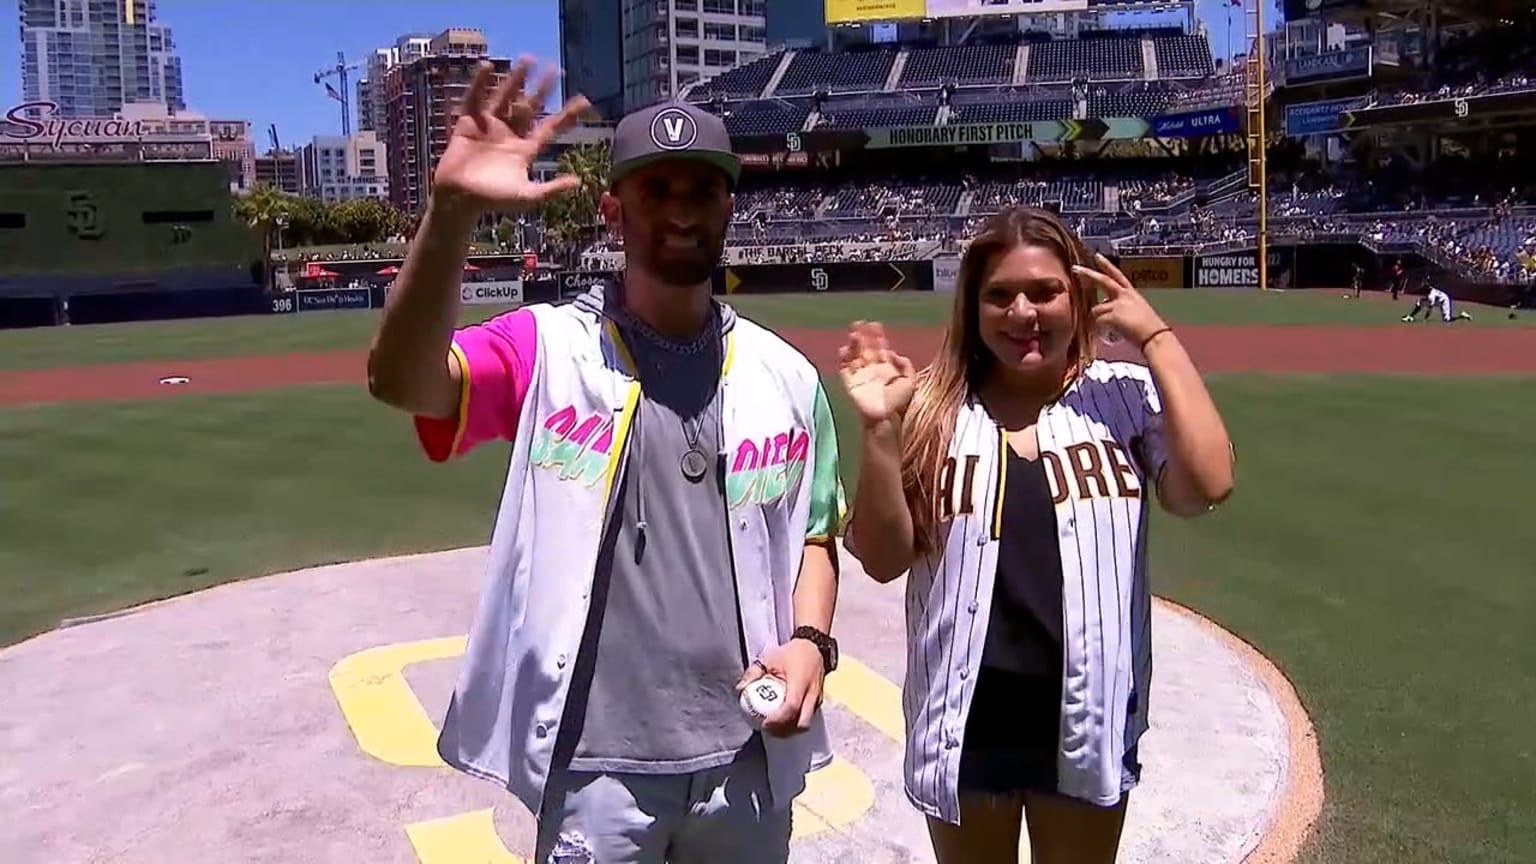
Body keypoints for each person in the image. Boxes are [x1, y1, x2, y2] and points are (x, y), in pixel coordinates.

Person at [366, 57, 846, 864]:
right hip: (597, 769)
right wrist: (449, 213)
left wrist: (810, 641)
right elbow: (402, 382)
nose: (682, 210)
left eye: (701, 190)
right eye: (656, 191)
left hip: (746, 758)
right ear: (612, 211)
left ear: (729, 205)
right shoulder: (545, 346)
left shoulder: (788, 376)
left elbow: (816, 539)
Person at [838, 206, 1235, 864]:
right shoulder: (929, 407)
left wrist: (1157, 339)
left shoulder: (1126, 398)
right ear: (973, 307)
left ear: (1077, 298)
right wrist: (880, 432)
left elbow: (1209, 484)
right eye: (1000, 295)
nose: (1022, 312)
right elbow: (882, 562)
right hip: (966, 713)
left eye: (1044, 291)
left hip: (1087, 713)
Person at [1402, 283, 1472, 322]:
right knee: (1420, 303)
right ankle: (1410, 317)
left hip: (1444, 301)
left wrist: (1426, 317)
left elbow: (1430, 308)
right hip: (1438, 300)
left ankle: (1462, 316)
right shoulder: (1430, 290)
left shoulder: (1431, 296)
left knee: (1447, 320)